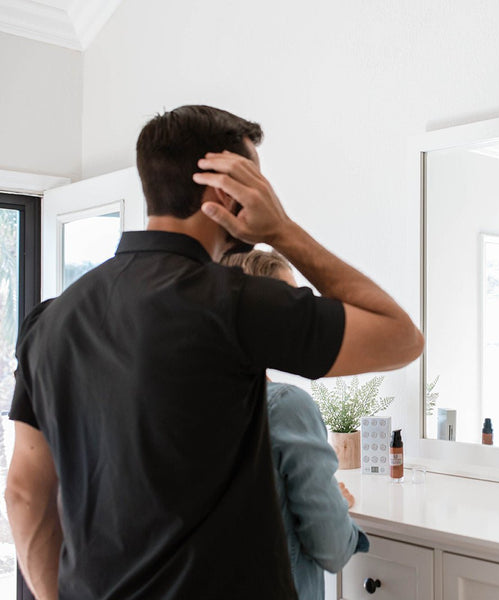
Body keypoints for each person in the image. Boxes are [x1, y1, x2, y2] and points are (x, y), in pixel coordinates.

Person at [5, 105, 423, 599]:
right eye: (256, 182)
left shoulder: (52, 318)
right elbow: (401, 337)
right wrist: (281, 229)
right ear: (224, 188)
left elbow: (24, 492)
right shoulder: (234, 304)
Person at [220, 248, 368, 600]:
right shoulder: (286, 407)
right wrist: (335, 504)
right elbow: (332, 549)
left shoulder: (189, 401)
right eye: (291, 305)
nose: (302, 319)